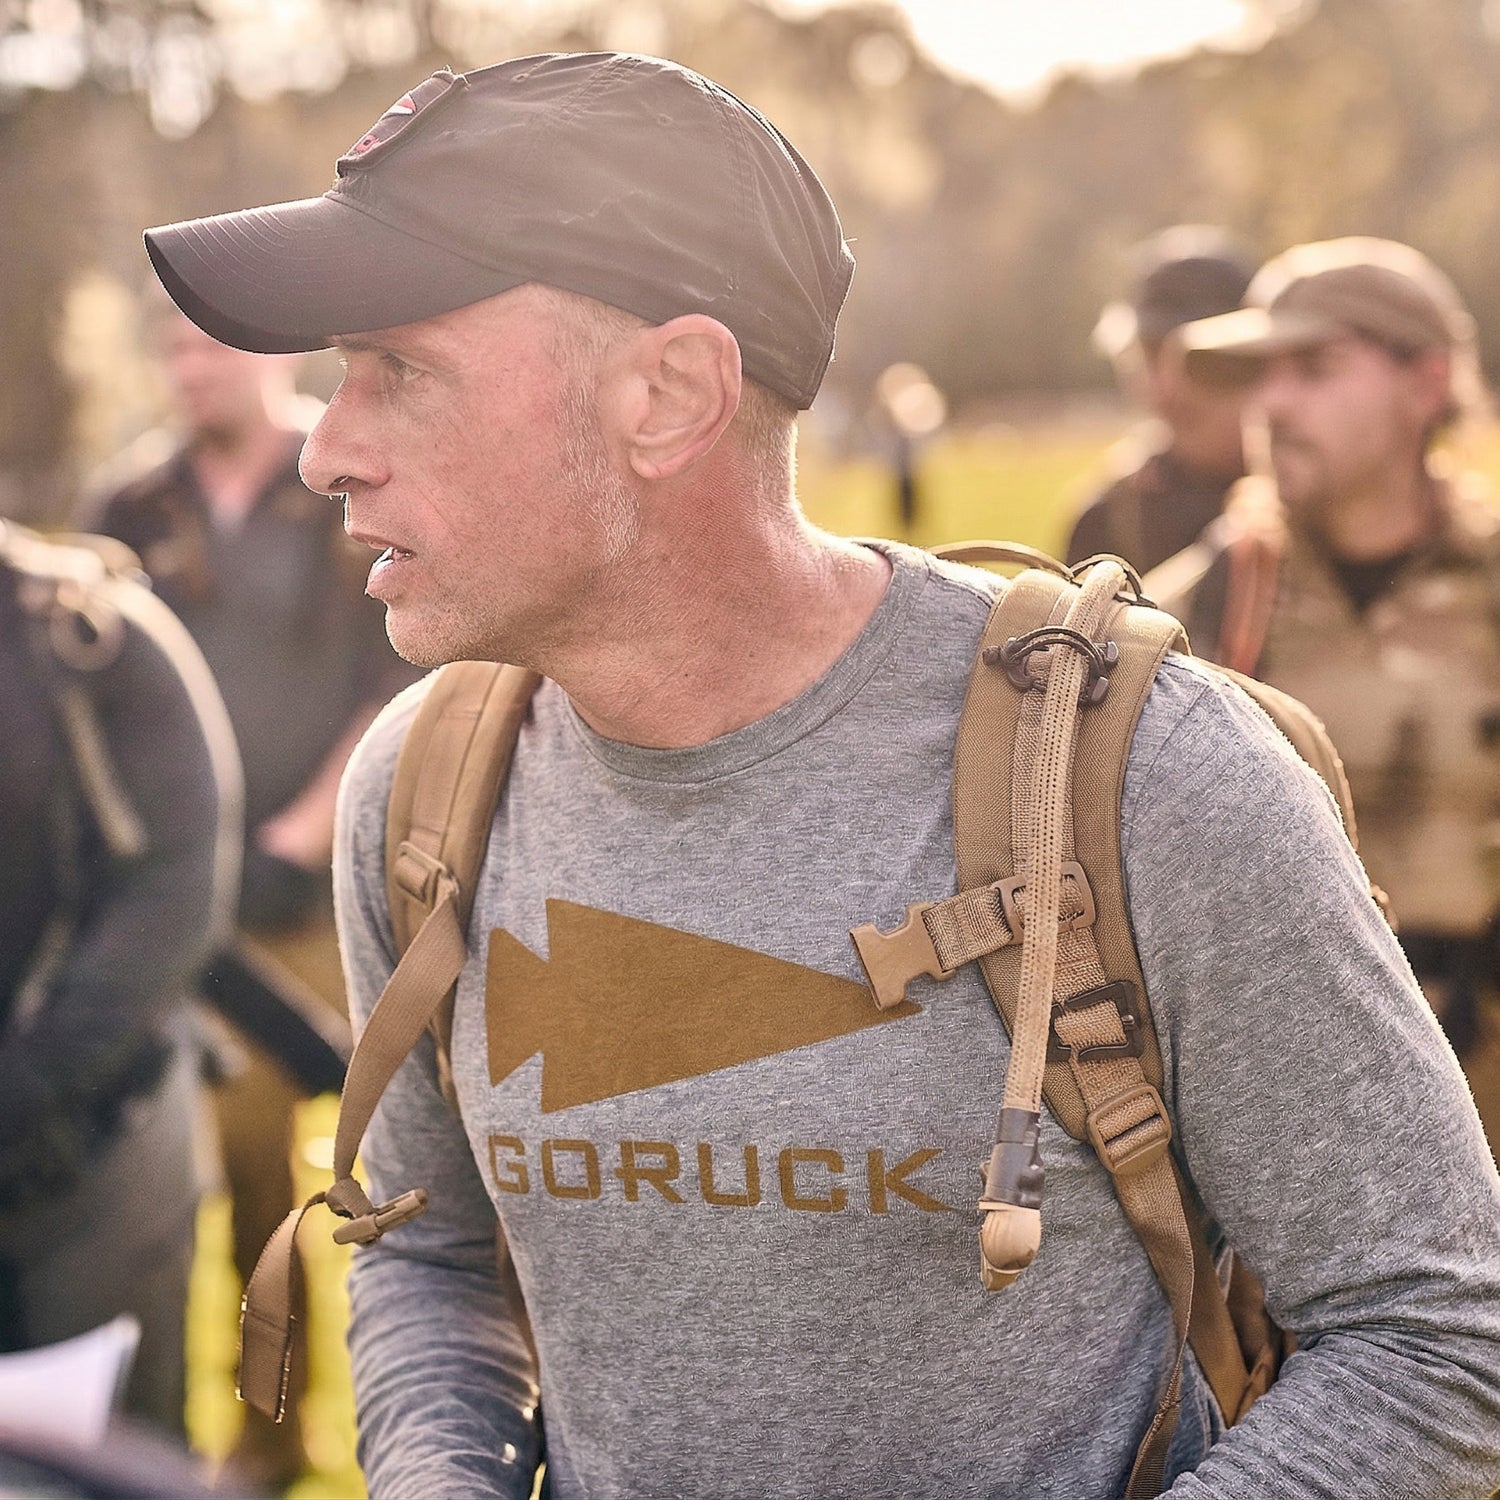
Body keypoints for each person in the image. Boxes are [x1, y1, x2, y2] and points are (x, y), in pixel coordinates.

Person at [143, 54, 1500, 1500]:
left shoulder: (1144, 771)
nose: (330, 450)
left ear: (668, 394)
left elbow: (1432, 1340)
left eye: (397, 369)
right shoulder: (425, 795)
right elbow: (425, 1248)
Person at [90, 304, 416, 1487]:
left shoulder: (339, 485)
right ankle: (270, 1438)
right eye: (169, 349)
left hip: (329, 881)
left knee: (394, 1170)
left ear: (269, 352)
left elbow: (397, 666)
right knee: (235, 1175)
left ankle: (436, 1414)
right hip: (197, 909)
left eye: (210, 346)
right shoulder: (129, 509)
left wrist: (299, 826)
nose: (189, 369)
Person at [1151, 237, 1500, 1063]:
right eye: (1259, 372)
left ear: (1426, 383)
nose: (1269, 404)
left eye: (1314, 369)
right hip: (1288, 1122)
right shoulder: (1184, 616)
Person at [0, 522, 239, 1439]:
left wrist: (29, 1084)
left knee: (115, 1457)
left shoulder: (89, 637)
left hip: (95, 1149)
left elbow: (178, 886)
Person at [1066, 226, 1255, 573]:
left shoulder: (1318, 503)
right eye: (1151, 354)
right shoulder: (1111, 516)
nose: (1169, 388)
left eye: (1198, 358)